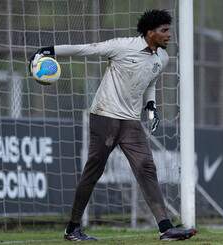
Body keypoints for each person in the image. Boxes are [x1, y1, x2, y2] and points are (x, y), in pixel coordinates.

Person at [29, 9, 197, 241]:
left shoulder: (162, 58)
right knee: (94, 170)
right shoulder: (122, 46)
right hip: (104, 116)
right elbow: (86, 49)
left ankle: (165, 228)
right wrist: (49, 51)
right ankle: (73, 228)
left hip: (130, 121)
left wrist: (150, 105)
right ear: (150, 32)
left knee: (146, 167)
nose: (170, 34)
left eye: (169, 30)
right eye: (164, 30)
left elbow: (150, 82)